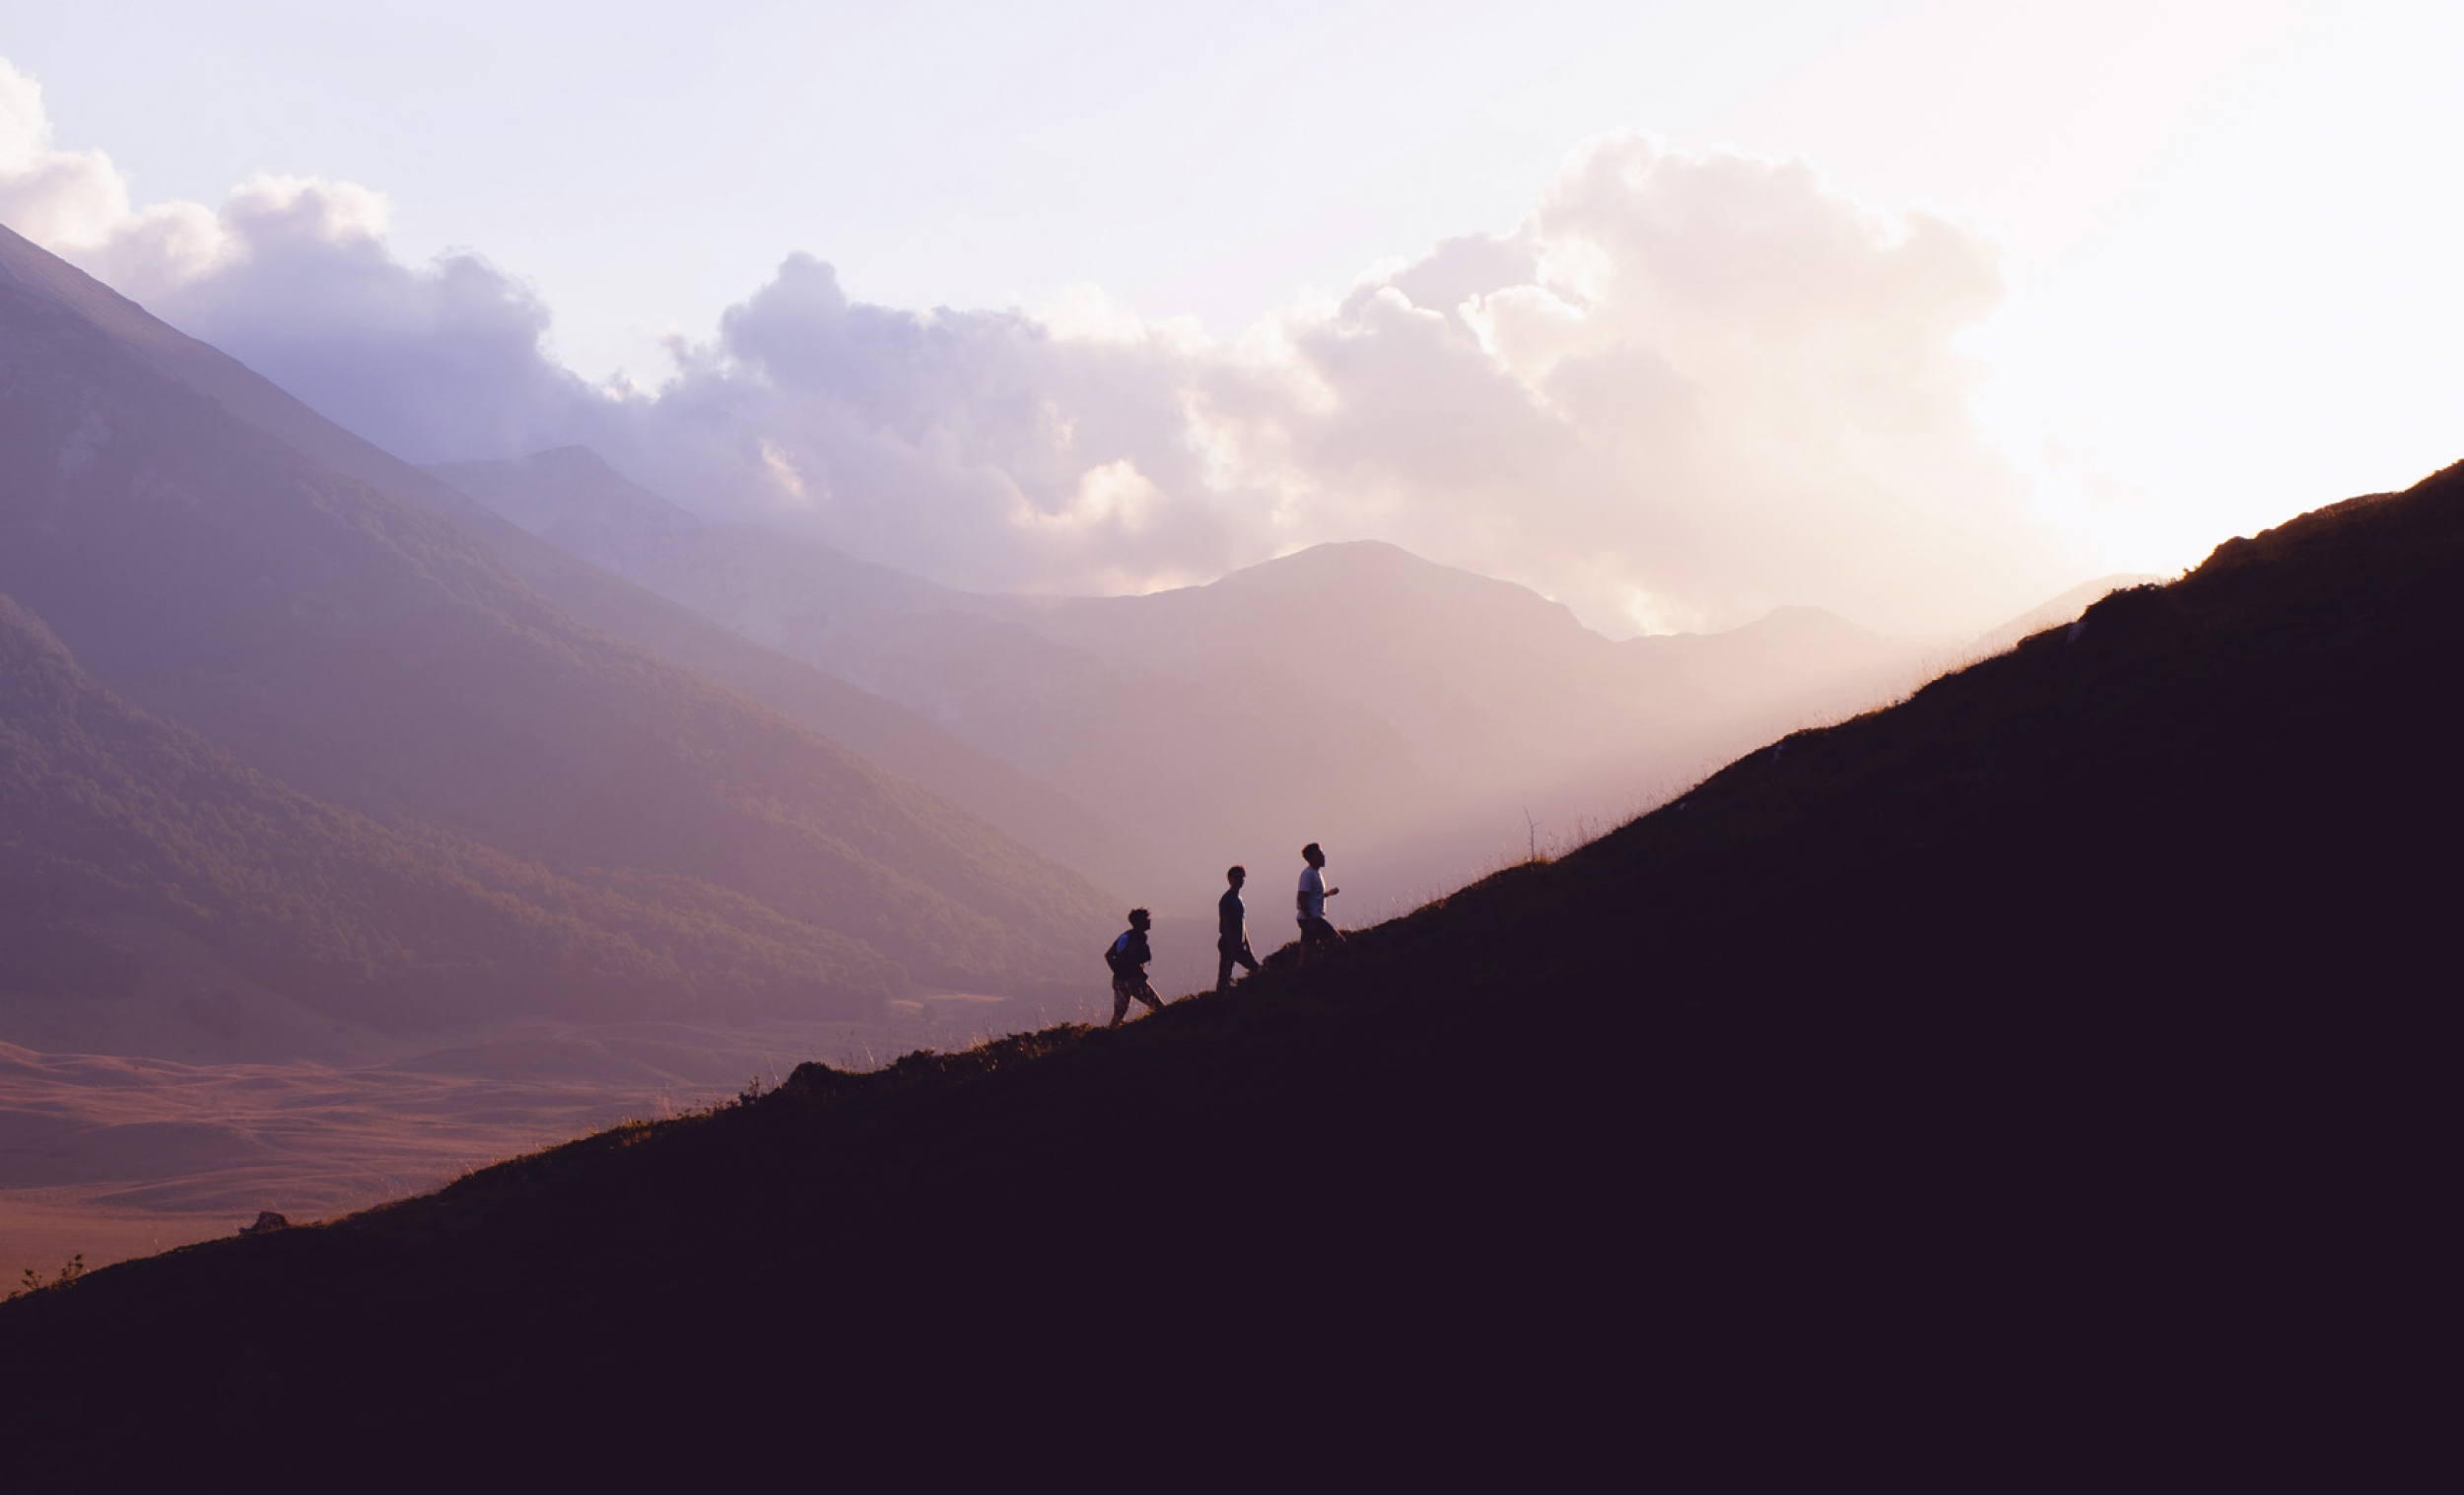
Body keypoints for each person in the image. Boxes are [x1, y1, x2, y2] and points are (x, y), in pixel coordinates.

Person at [1104, 908, 1164, 1028]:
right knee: (1160, 1008)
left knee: (1118, 1016)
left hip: (1119, 981)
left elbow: (1109, 955)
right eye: (1146, 919)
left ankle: (1105, 1038)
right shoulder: (1139, 937)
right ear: (1139, 922)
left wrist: (1118, 972)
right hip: (1135, 981)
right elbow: (1135, 957)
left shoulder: (1125, 936)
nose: (1149, 921)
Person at [1296, 843, 1343, 964]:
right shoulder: (1308, 874)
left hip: (1309, 918)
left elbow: (1314, 896)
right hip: (1313, 918)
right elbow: (1302, 898)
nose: (1323, 856)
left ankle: (1299, 975)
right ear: (1311, 857)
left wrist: (1329, 893)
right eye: (1319, 854)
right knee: (1338, 942)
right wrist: (1310, 921)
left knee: (1306, 953)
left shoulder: (1316, 873)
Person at [1216, 865, 1261, 993]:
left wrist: (1248, 946)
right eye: (1237, 877)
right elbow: (1225, 924)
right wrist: (1231, 945)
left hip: (1237, 944)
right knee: (1225, 976)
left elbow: (1242, 924)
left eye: (1242, 877)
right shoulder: (1226, 900)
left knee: (1226, 975)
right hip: (1229, 944)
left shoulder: (1239, 899)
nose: (1240, 880)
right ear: (1229, 879)